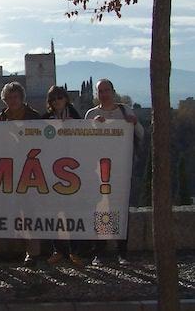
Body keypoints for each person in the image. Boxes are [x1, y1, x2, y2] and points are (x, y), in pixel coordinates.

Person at [85, 79, 143, 266]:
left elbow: (141, 134)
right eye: (100, 91)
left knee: (120, 209)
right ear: (97, 94)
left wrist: (134, 123)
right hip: (99, 170)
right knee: (102, 209)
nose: (104, 93)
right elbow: (83, 139)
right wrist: (93, 125)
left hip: (121, 170)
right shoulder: (92, 114)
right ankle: (99, 252)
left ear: (113, 91)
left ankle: (122, 253)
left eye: (106, 90)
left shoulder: (125, 111)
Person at [0, 82, 43, 266]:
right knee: (10, 212)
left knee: (30, 212)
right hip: (7, 171)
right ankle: (13, 251)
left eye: (15, 97)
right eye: (9, 97)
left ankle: (33, 253)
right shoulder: (0, 119)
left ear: (21, 98)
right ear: (4, 100)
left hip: (31, 170)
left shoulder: (35, 117)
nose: (12, 100)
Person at [41, 86, 84, 267]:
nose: (57, 100)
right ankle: (58, 250)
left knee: (73, 212)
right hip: (51, 173)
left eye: (60, 97)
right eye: (53, 98)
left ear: (66, 99)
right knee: (53, 214)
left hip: (75, 171)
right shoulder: (43, 120)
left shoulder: (77, 118)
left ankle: (76, 252)